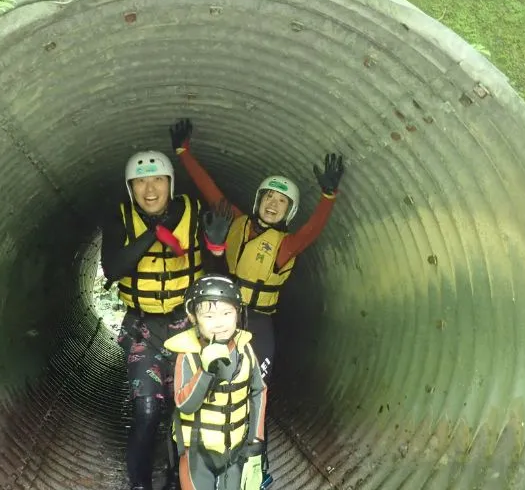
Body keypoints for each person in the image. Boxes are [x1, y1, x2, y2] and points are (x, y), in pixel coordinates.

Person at [169, 118, 345, 486]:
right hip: (220, 319)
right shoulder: (235, 221)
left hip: (259, 327)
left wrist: (328, 197)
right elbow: (209, 189)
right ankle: (192, 464)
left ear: (287, 212)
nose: (273, 205)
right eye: (269, 197)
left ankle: (254, 468)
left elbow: (312, 231)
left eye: (281, 202)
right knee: (202, 387)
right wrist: (184, 153)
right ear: (258, 200)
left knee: (252, 395)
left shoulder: (285, 246)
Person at [101, 150, 232, 490]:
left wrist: (216, 248)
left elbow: (218, 279)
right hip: (143, 328)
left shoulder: (193, 212)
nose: (149, 189)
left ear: (170, 184)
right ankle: (140, 484)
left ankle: (179, 480)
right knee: (146, 410)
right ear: (131, 188)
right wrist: (154, 233)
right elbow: (113, 269)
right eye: (140, 182)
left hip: (186, 327)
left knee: (186, 409)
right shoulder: (119, 217)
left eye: (157, 180)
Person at [164, 274, 267, 490]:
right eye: (209, 316)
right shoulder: (189, 355)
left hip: (235, 450)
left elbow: (258, 391)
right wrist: (205, 371)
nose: (219, 323)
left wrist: (256, 440)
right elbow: (185, 405)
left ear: (238, 314)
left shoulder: (244, 349)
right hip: (198, 454)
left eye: (227, 313)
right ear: (193, 318)